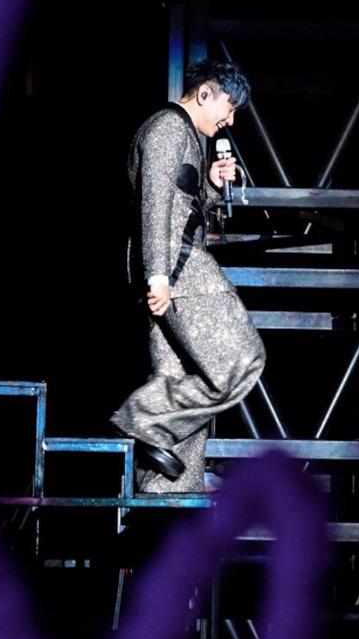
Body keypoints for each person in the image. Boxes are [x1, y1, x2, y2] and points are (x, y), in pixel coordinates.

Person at [111, 60, 266, 492]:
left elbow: (182, 201)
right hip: (178, 267)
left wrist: (211, 186)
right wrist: (158, 276)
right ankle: (146, 418)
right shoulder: (168, 127)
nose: (230, 120)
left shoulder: (184, 135)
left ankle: (165, 492)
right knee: (242, 361)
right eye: (229, 107)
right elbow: (156, 203)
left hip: (166, 267)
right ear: (204, 93)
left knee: (175, 378)